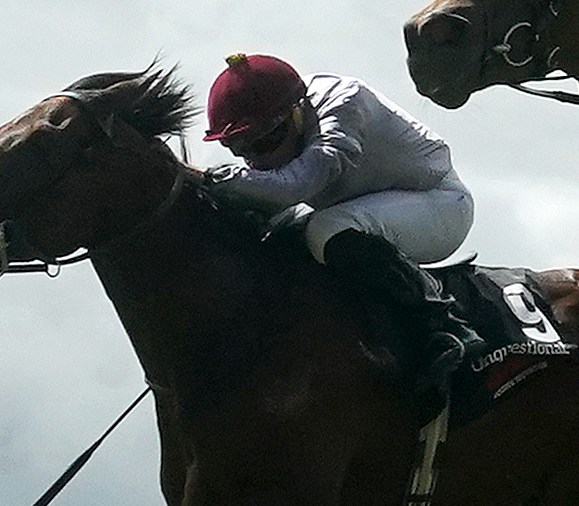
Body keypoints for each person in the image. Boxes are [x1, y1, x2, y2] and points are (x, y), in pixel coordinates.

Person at [204, 53, 480, 417]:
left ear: (298, 112)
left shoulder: (345, 101)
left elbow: (302, 183)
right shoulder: (287, 116)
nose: (258, 161)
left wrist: (210, 179)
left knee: (326, 228)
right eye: (241, 150)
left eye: (267, 142)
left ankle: (442, 328)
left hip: (439, 204)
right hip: (364, 211)